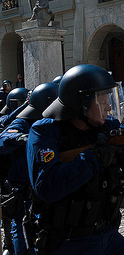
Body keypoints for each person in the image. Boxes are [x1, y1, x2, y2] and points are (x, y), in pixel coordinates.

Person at [25, 64, 124, 254]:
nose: (109, 107)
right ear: (81, 103)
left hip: (106, 233)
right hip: (67, 240)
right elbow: (47, 187)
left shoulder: (108, 127)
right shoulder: (45, 132)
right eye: (102, 102)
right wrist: (94, 157)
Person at [0, 82, 58, 255]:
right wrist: (20, 138)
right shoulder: (22, 122)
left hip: (41, 185)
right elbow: (4, 137)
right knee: (21, 226)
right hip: (21, 188)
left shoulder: (50, 124)